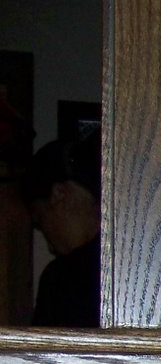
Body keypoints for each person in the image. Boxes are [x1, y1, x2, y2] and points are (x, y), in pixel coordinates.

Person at [22, 131, 100, 328]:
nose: (50, 246)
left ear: (59, 194)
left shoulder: (62, 278)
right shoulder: (133, 258)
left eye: (40, 221)